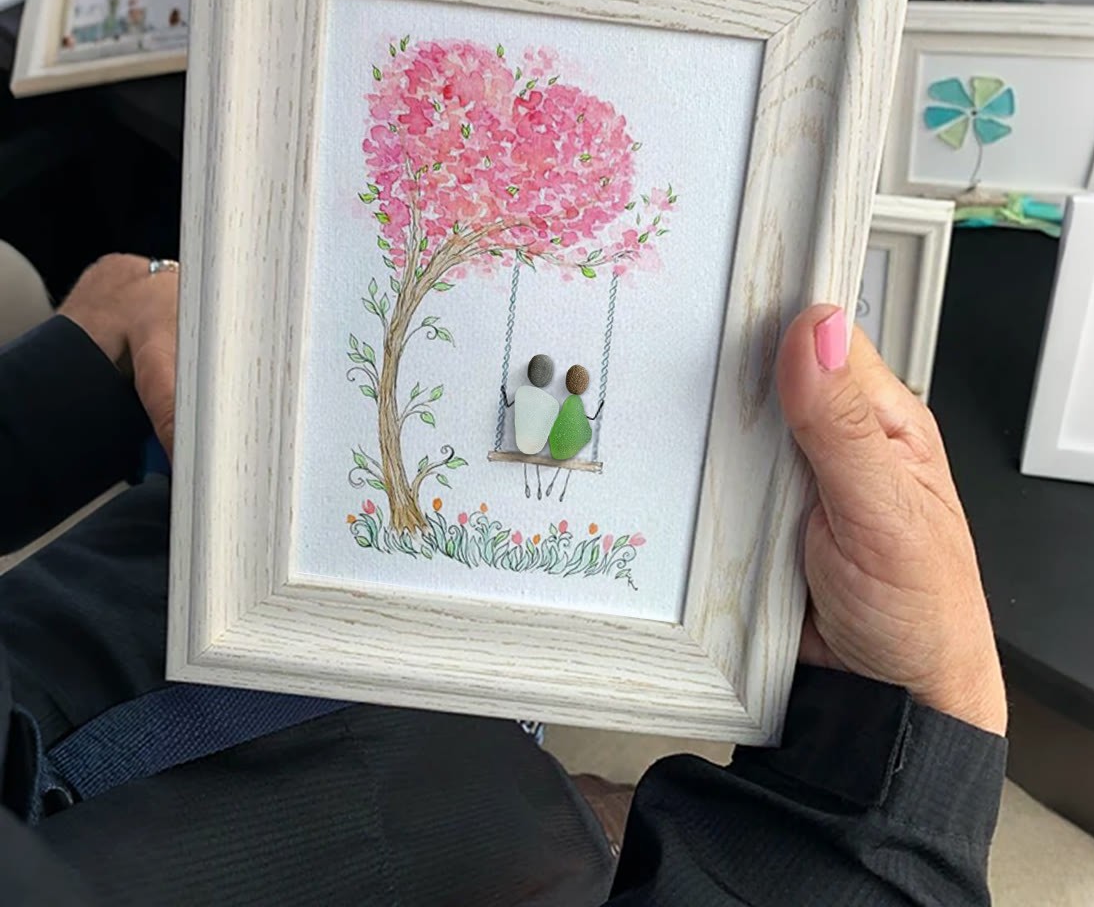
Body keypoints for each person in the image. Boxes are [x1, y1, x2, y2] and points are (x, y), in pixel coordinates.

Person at [0, 253, 1006, 906]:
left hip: (195, 583)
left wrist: (88, 353)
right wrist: (897, 776)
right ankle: (586, 820)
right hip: (432, 817)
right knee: (559, 823)